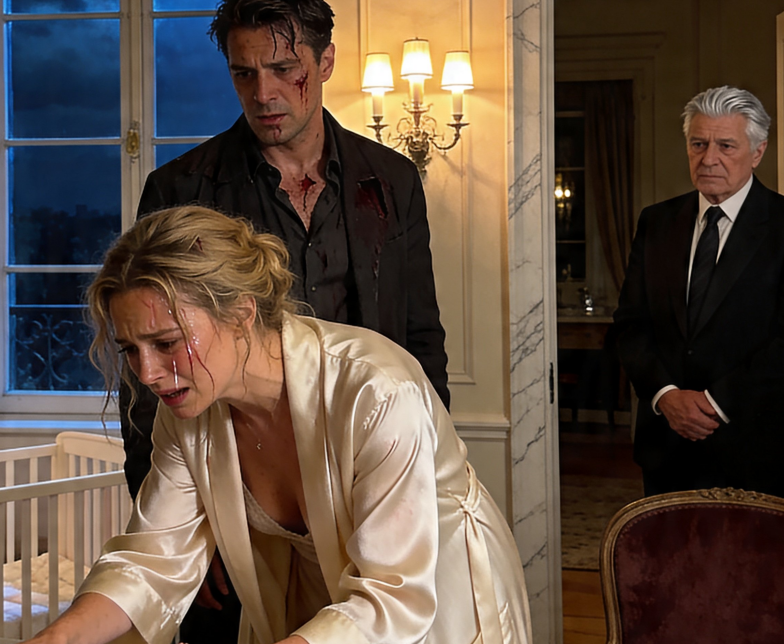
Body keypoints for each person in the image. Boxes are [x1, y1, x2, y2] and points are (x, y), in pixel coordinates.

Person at [26, 206, 529, 644]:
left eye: (166, 343)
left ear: (242, 314)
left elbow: (391, 595)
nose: (148, 373)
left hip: (434, 592)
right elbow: (151, 561)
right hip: (323, 603)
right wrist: (56, 637)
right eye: (130, 350)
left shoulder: (376, 390)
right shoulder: (189, 412)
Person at [125, 0, 451, 642]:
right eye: (244, 73)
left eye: (283, 69)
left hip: (366, 484)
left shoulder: (392, 179)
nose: (263, 93)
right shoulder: (180, 187)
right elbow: (150, 370)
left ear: (325, 62)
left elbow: (420, 340)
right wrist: (182, 527)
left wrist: (426, 481)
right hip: (243, 495)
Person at [614, 86, 784, 500]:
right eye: (699, 144)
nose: (709, 158)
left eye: (726, 146)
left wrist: (713, 403)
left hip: (758, 449)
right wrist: (666, 396)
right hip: (666, 446)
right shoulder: (656, 221)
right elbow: (630, 324)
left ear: (758, 152)